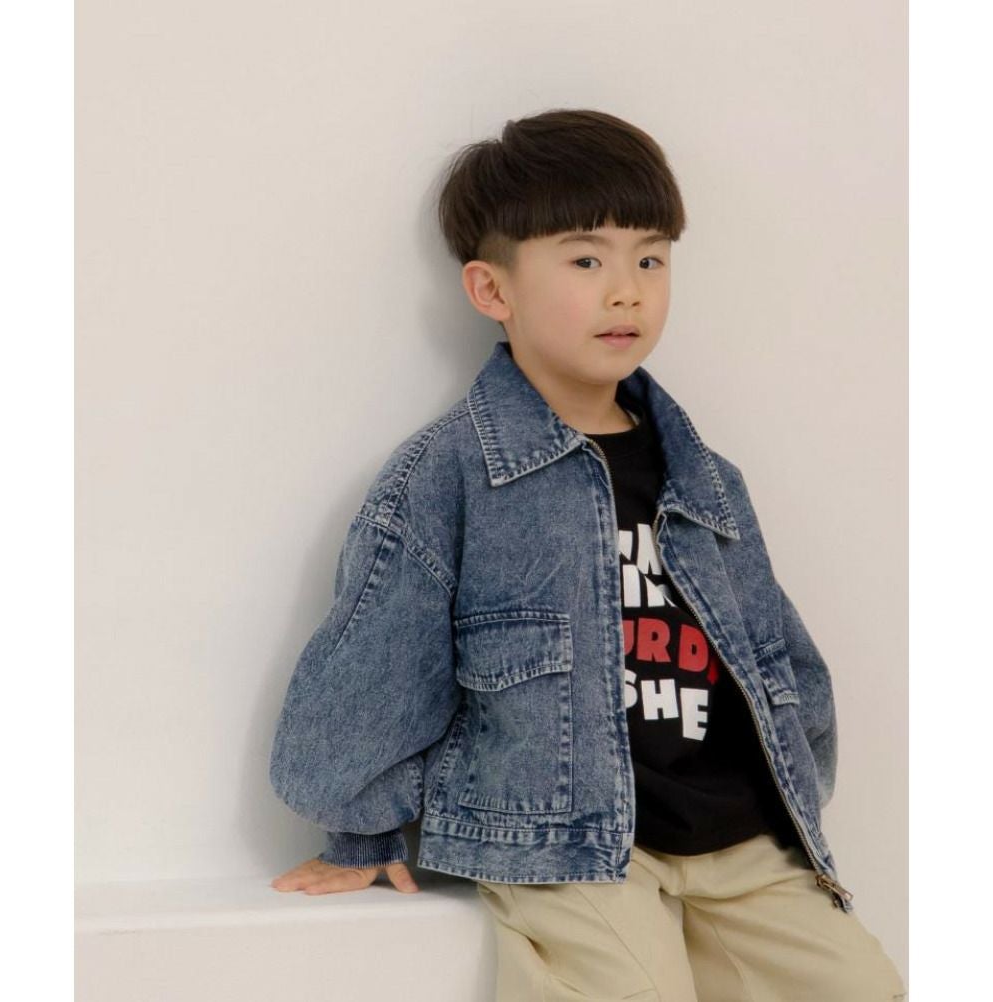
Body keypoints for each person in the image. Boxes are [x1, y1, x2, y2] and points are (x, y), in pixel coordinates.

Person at [268, 109, 906, 1001]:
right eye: (585, 260)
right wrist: (361, 830)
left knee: (863, 986)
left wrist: (797, 786)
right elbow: (374, 672)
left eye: (650, 259)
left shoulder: (706, 477)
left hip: (735, 830)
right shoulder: (450, 476)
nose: (627, 293)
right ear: (492, 290)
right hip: (564, 839)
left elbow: (779, 658)